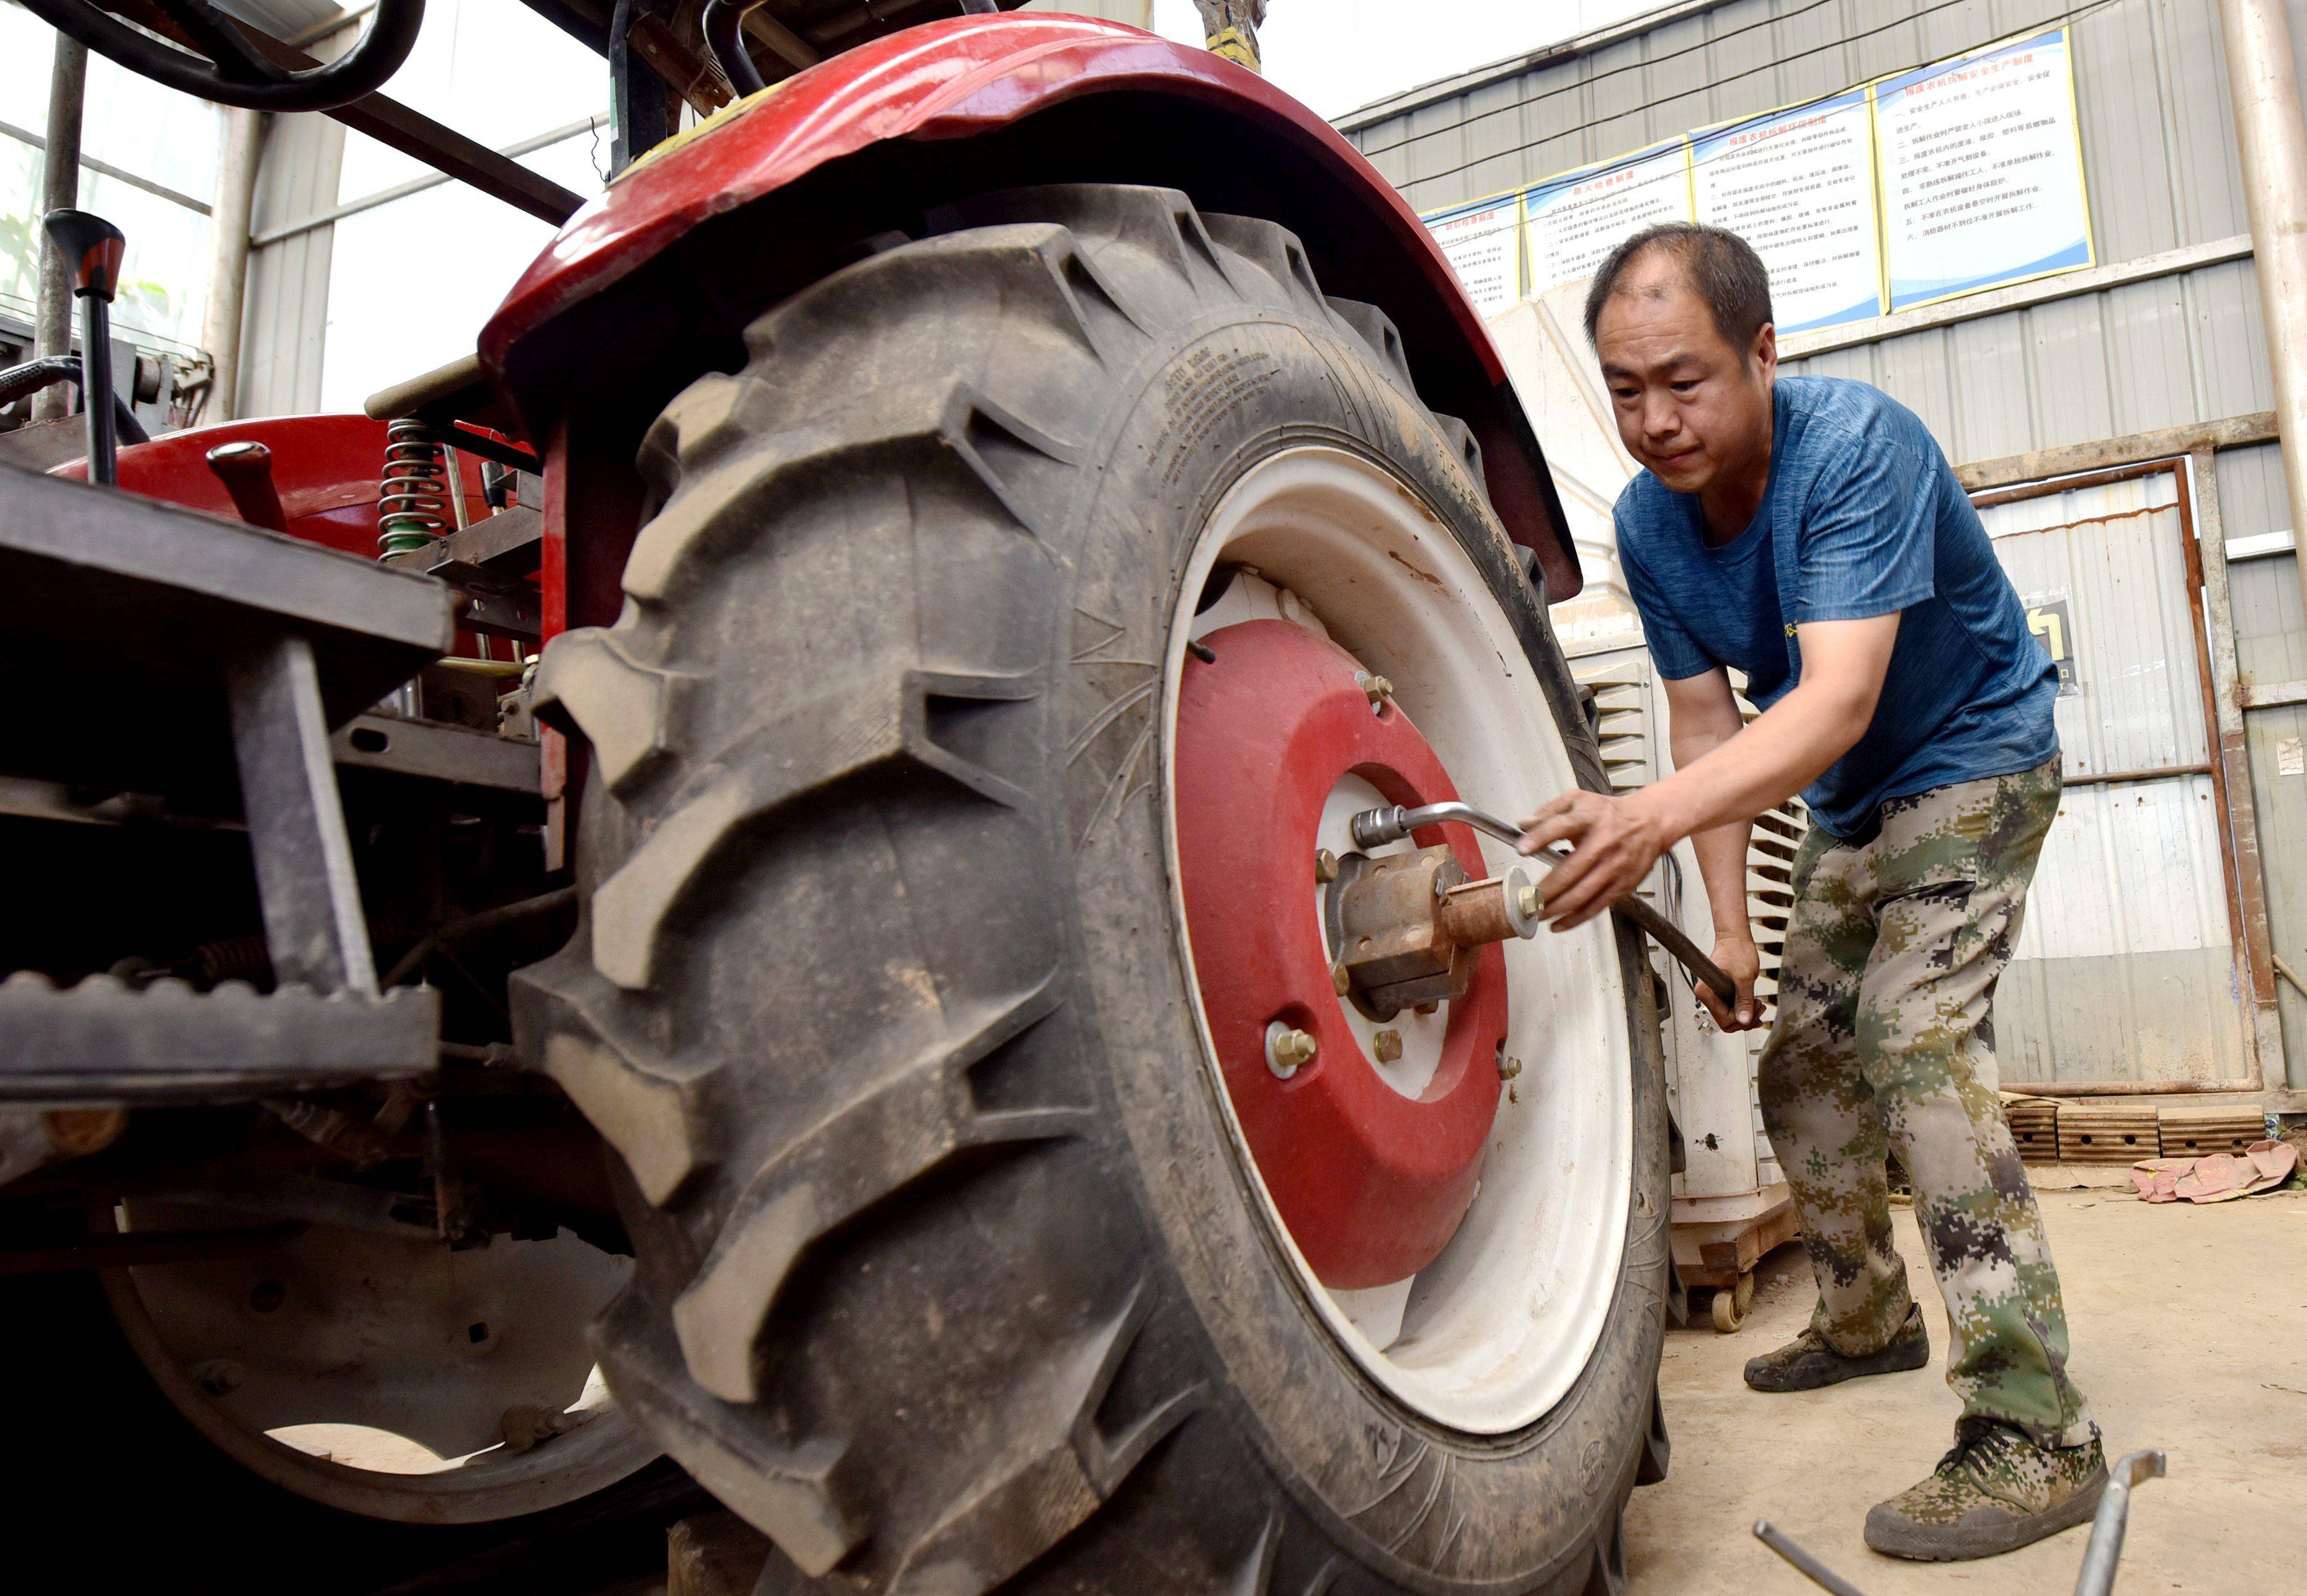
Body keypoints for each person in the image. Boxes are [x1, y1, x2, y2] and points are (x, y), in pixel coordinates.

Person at [1519, 221, 2102, 1561]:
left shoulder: (1856, 451)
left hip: (1978, 761)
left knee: (1912, 1040)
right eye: (1624, 390)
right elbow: (1706, 730)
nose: (1655, 421)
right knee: (1797, 1060)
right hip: (1855, 804)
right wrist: (1727, 929)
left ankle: (2034, 1427)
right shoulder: (1649, 529)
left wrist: (1642, 823)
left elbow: (1834, 700)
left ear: (1763, 355)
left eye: (1686, 380)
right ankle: (1866, 1318)